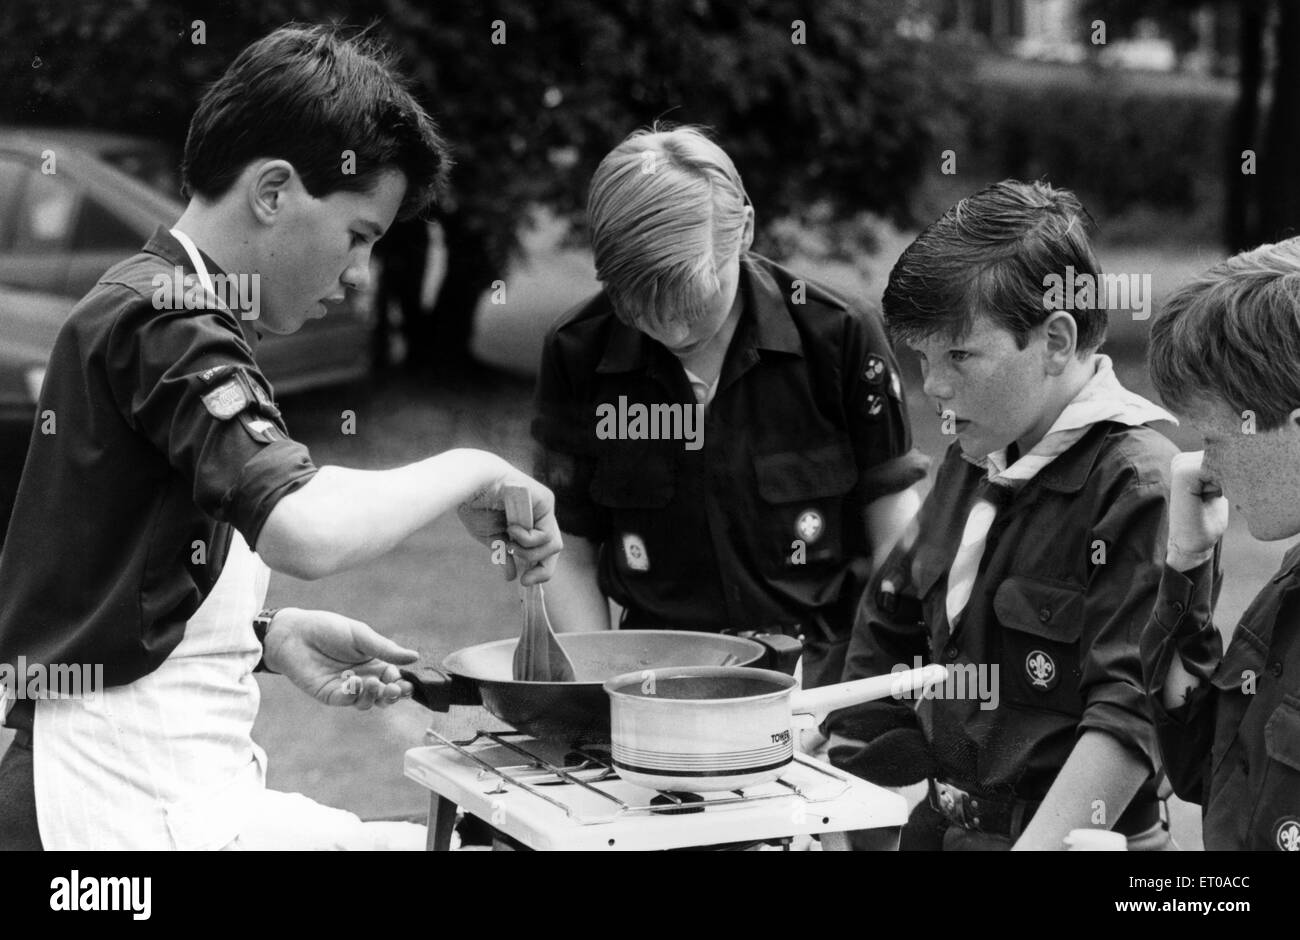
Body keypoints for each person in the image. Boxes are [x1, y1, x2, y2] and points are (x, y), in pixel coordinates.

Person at [0, 25, 562, 851]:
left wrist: (263, 638)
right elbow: (304, 525)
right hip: (106, 815)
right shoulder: (170, 320)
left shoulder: (165, 310)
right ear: (273, 191)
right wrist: (472, 466)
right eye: (360, 234)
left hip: (155, 796)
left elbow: (109, 567)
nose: (361, 273)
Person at [827, 180, 1178, 850]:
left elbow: (1128, 716)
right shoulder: (976, 454)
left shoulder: (1135, 482)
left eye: (958, 354)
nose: (932, 387)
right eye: (922, 358)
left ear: (1053, 340)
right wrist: (856, 818)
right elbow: (886, 636)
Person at [532, 125, 928, 692]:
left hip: (822, 680)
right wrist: (601, 692)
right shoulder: (578, 352)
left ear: (743, 230)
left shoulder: (839, 336)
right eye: (639, 306)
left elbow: (895, 531)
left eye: (693, 300)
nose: (670, 329)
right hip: (654, 683)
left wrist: (858, 694)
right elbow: (568, 549)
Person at [1143, 237, 1300, 851]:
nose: (1204, 468)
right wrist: (1188, 560)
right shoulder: (1289, 582)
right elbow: (1203, 771)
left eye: (1217, 437)